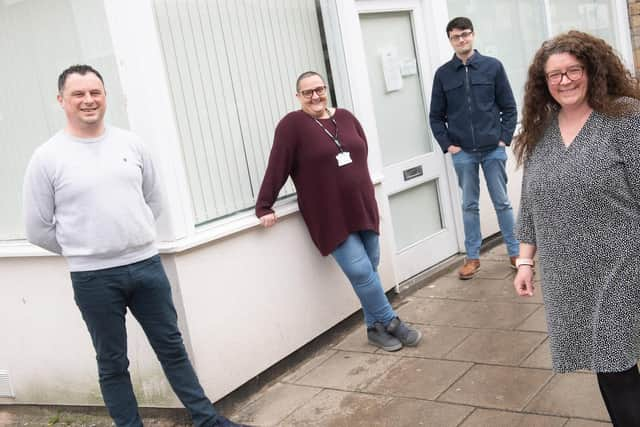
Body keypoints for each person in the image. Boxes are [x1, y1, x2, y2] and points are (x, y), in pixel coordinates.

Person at [22, 65, 247, 427]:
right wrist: (86, 248)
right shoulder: (47, 157)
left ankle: (207, 421)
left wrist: (132, 236)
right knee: (112, 362)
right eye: (78, 94)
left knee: (172, 348)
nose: (88, 100)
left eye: (95, 92)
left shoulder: (130, 143)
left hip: (146, 266)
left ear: (106, 96)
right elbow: (37, 228)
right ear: (61, 100)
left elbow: (153, 200)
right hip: (93, 278)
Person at [512, 31, 640, 426]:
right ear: (543, 84)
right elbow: (530, 199)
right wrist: (525, 261)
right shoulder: (540, 129)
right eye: (555, 75)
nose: (565, 81)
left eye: (573, 71)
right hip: (567, 270)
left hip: (621, 262)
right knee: (604, 361)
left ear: (592, 71)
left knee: (614, 358)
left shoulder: (624, 117)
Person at [255, 71, 422, 352]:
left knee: (371, 265)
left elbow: (362, 152)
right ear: (298, 96)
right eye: (307, 92)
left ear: (326, 89)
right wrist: (264, 204)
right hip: (328, 212)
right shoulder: (291, 125)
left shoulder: (345, 117)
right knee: (359, 270)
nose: (315, 96)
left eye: (319, 89)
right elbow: (277, 165)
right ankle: (391, 322)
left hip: (361, 204)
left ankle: (374, 329)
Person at [429, 17, 519, 279]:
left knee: (502, 202)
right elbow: (436, 116)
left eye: (465, 34)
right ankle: (472, 257)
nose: (462, 40)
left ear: (473, 35)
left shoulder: (492, 67)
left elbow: (509, 108)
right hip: (463, 152)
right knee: (469, 205)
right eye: (456, 36)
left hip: (493, 149)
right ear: (450, 40)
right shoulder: (443, 74)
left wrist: (504, 138)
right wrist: (449, 146)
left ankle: (514, 252)